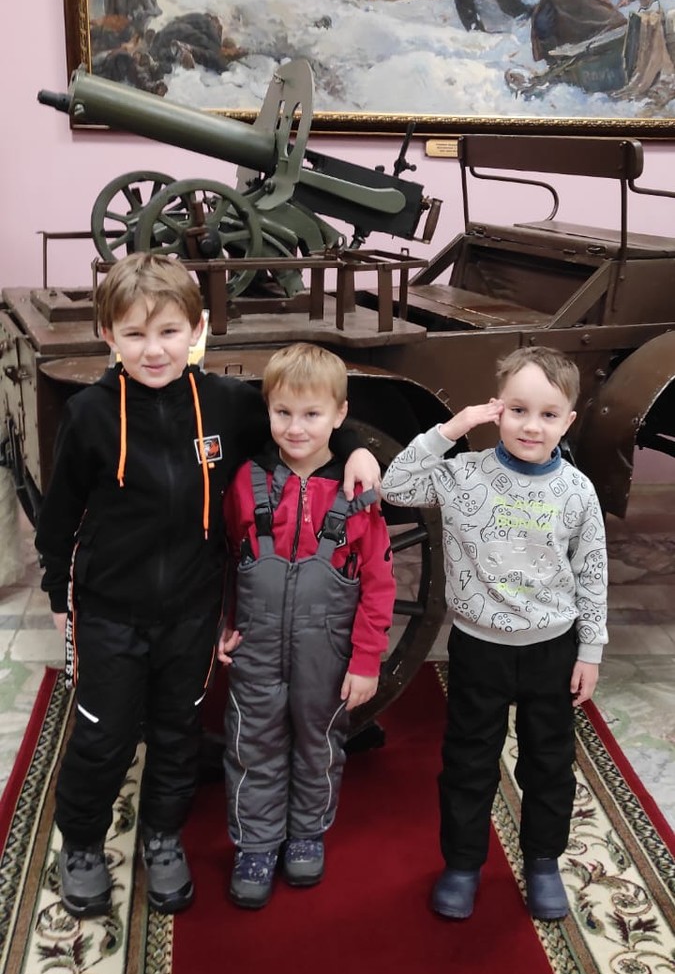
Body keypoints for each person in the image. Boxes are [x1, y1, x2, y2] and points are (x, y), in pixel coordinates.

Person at [35, 257, 379, 921]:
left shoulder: (225, 403)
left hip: (191, 611)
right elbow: (59, 518)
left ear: (196, 329)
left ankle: (163, 836)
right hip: (109, 610)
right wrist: (58, 594)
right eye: (134, 334)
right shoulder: (89, 415)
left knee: (177, 731)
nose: (153, 349)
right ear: (108, 336)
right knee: (103, 735)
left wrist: (358, 445)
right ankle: (81, 843)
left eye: (168, 331)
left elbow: (299, 431)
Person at [381, 347, 607, 924]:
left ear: (568, 421)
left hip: (552, 649)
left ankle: (543, 861)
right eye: (518, 410)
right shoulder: (463, 476)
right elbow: (395, 485)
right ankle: (462, 864)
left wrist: (590, 650)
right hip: (479, 649)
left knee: (549, 763)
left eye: (548, 415)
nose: (532, 426)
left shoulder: (578, 491)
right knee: (468, 759)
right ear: (496, 409)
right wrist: (453, 428)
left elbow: (591, 573)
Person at [218, 343, 396, 910]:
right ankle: (255, 844)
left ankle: (306, 833)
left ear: (339, 416)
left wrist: (366, 660)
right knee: (252, 743)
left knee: (319, 743)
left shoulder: (357, 493)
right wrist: (223, 623)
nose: (296, 428)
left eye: (312, 414)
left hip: (329, 649)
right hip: (256, 643)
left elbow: (379, 583)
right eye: (283, 413)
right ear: (267, 411)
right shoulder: (245, 481)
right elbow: (226, 560)